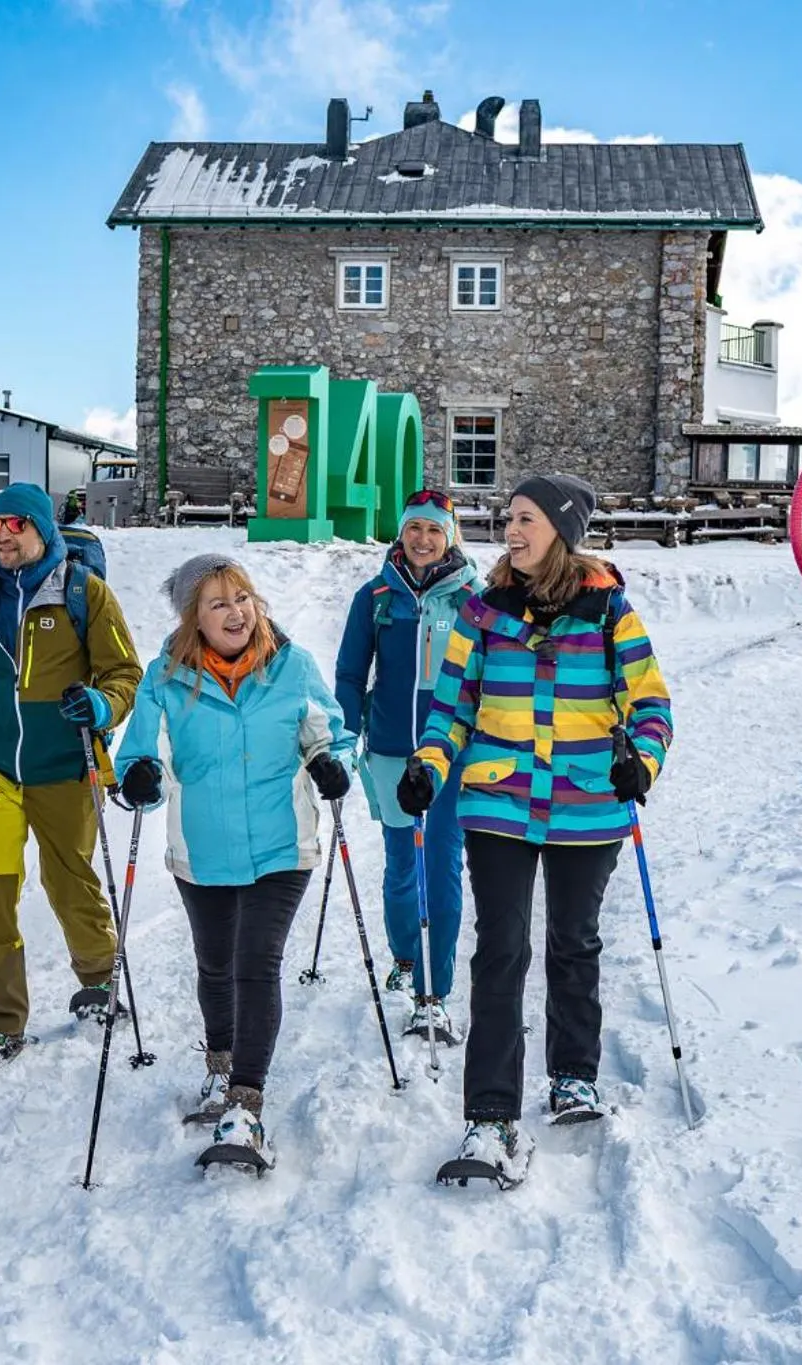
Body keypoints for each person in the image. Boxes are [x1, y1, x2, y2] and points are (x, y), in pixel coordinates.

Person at [398, 474, 673, 1186]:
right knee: (501, 949)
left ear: (561, 528)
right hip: (500, 803)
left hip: (588, 804)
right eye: (507, 518)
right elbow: (450, 709)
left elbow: (650, 700)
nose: (511, 530)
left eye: (525, 518)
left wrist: (641, 761)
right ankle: (490, 1114)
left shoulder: (609, 609)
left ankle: (573, 1075)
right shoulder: (483, 612)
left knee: (573, 941)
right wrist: (429, 763)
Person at [114, 554, 357, 1169]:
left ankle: (246, 1104)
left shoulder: (292, 666)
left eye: (243, 598)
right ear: (194, 616)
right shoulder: (165, 677)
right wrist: (139, 777)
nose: (236, 612)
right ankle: (220, 1069)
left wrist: (334, 765)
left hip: (282, 845)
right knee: (215, 965)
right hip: (203, 850)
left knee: (256, 962)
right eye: (218, 603)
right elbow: (140, 753)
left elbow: (332, 735)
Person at [0, 482, 141, 1067]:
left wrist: (102, 707)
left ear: (41, 530)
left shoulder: (85, 593)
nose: (3, 535)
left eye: (15, 525)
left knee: (70, 882)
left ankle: (100, 984)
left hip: (66, 768)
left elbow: (124, 672)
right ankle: (0, 1023)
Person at [334, 488, 478, 1043]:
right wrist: (345, 738)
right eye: (414, 528)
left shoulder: (473, 597)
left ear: (450, 538)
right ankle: (405, 957)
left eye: (434, 531)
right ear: (402, 533)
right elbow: (350, 674)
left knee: (442, 866)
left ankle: (434, 993)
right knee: (401, 866)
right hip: (392, 750)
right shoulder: (374, 597)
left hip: (452, 755)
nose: (422, 540)